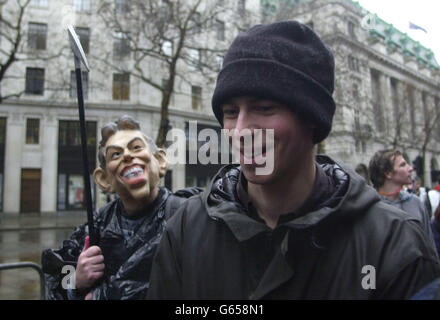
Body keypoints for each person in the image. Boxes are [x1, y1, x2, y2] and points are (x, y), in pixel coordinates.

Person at [147, 21, 440, 300]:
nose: (241, 130)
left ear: (311, 118)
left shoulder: (395, 245)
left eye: (264, 107)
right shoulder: (186, 229)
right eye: (231, 111)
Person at [42, 115, 200, 300]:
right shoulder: (97, 227)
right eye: (115, 154)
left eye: (136, 148)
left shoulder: (189, 217)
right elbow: (55, 280)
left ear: (160, 161)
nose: (127, 155)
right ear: (104, 179)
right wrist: (76, 281)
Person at [368, 150, 434, 242]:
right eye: (403, 165)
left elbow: (429, 246)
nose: (410, 168)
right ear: (388, 173)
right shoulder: (369, 209)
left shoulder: (416, 203)